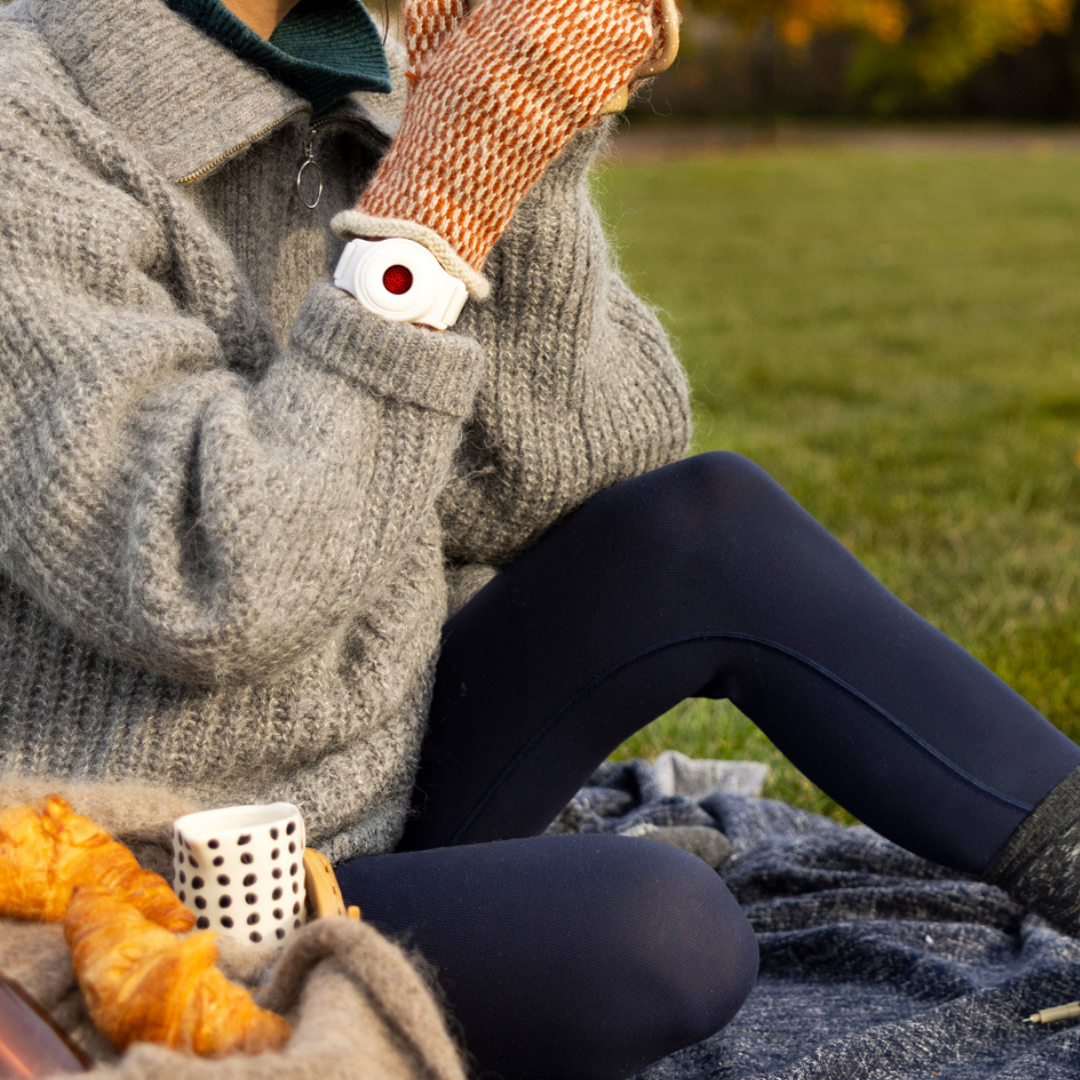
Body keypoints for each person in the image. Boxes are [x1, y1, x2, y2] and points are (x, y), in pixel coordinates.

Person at [1, 0, 1080, 1078]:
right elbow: (206, 576)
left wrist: (520, 155)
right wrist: (422, 230)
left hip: (373, 760)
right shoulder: (26, 119)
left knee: (709, 526)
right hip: (136, 879)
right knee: (662, 932)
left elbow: (570, 474)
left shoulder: (345, 71)